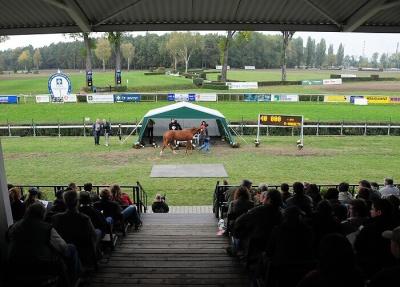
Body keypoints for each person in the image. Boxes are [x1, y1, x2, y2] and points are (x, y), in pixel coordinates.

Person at [6, 202, 80, 285]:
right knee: (71, 248)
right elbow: (63, 247)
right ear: (43, 215)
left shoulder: (14, 227)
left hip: (15, 264)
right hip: (41, 266)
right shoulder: (47, 228)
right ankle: (73, 281)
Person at [52, 190, 98, 268]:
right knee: (97, 232)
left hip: (65, 245)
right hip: (82, 247)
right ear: (77, 202)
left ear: (64, 201)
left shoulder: (56, 217)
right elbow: (93, 236)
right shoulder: (84, 218)